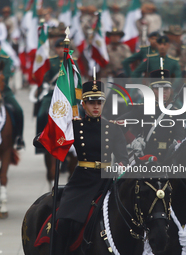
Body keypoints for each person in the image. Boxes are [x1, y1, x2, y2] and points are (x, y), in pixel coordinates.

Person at [34, 80, 129, 255]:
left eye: (99, 103)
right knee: (64, 221)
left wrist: (122, 167)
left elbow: (123, 158)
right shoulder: (76, 126)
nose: (95, 107)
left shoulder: (113, 128)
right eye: (91, 103)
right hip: (82, 180)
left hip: (107, 180)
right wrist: (51, 132)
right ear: (83, 104)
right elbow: (44, 140)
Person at [118, 69, 186, 162]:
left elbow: (179, 136)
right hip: (145, 157)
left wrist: (176, 145)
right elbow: (119, 123)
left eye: (166, 88)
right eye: (159, 89)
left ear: (170, 90)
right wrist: (133, 141)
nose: (163, 91)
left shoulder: (177, 113)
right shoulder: (143, 109)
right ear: (152, 90)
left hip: (168, 159)